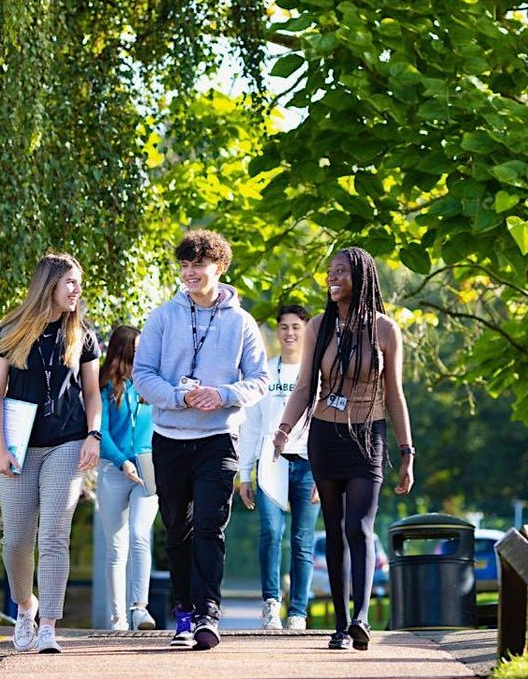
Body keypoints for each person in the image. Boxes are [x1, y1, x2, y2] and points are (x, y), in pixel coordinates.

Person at [132, 229, 269, 650]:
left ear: (219, 267)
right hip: (169, 437)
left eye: (199, 265)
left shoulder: (241, 322)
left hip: (219, 438)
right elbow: (142, 375)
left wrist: (224, 394)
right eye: (185, 265)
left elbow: (260, 379)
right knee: (177, 529)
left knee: (211, 525)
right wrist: (178, 396)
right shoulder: (162, 317)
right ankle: (184, 614)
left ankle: (208, 612)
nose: (190, 273)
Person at [275, 247, 415, 652]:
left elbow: (395, 395)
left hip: (368, 435)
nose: (332, 277)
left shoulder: (386, 330)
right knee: (333, 529)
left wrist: (407, 452)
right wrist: (284, 430)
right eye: (329, 272)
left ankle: (361, 618)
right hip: (325, 435)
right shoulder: (319, 326)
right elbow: (304, 387)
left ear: (361, 277)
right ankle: (339, 624)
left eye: (341, 271)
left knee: (360, 526)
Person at [0, 253, 102, 654]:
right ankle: (25, 606)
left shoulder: (82, 336)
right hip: (18, 447)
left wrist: (93, 435)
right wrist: (0, 449)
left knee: (54, 535)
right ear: (48, 284)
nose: (77, 289)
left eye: (79, 282)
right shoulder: (10, 332)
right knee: (16, 541)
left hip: (67, 444)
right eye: (70, 281)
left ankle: (50, 624)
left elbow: (92, 394)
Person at [238, 304, 319, 631]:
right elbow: (251, 427)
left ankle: (298, 610)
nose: (289, 333)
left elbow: (325, 427)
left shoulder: (316, 376)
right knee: (272, 532)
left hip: (310, 466)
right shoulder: (266, 375)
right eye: (284, 327)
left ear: (306, 331)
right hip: (271, 464)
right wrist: (245, 473)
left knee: (302, 540)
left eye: (296, 327)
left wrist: (325, 474)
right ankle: (271, 603)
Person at [97, 325, 159, 631]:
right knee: (117, 546)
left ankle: (139, 608)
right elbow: (101, 432)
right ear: (123, 348)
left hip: (147, 469)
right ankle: (117, 616)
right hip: (113, 471)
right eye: (137, 345)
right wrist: (122, 462)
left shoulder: (150, 383)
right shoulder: (105, 385)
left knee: (139, 535)